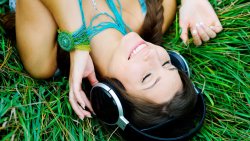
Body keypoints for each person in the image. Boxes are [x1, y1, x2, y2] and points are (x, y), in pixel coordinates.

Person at [1, 0, 222, 127]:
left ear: (113, 97)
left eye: (147, 77)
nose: (153, 57)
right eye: (167, 65)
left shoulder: (43, 59)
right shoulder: (152, 13)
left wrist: (79, 43)